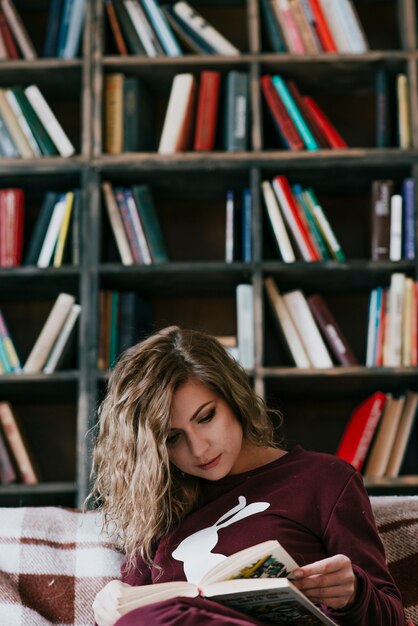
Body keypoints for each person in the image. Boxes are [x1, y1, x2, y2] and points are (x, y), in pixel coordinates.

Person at [90, 325, 407, 626]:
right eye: (173, 438)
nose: (199, 449)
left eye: (206, 417)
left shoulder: (323, 479)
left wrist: (354, 593)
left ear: (233, 398)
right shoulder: (162, 513)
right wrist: (108, 603)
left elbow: (391, 617)